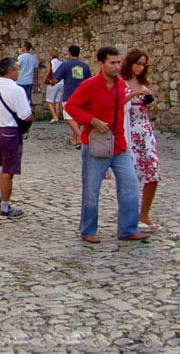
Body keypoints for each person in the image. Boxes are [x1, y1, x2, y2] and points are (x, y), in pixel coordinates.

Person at [65, 46, 150, 243]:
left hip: (119, 145)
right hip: (96, 145)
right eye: (112, 62)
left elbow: (121, 108)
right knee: (91, 189)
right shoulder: (90, 85)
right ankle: (88, 230)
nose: (116, 66)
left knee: (130, 185)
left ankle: (128, 229)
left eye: (118, 62)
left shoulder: (120, 86)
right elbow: (71, 106)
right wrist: (91, 120)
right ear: (101, 64)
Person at [0, 58, 32, 219]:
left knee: (5, 166)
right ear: (11, 71)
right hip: (9, 131)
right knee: (9, 169)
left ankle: (1, 193)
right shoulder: (16, 90)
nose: (18, 72)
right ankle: (5, 207)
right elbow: (25, 115)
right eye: (17, 69)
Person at [122, 48, 161, 231]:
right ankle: (129, 216)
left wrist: (153, 107)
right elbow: (115, 104)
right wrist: (133, 95)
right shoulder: (121, 83)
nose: (141, 67)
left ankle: (144, 214)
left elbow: (153, 111)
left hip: (144, 131)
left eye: (143, 64)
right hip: (128, 131)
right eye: (138, 63)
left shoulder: (144, 83)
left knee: (153, 171)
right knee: (130, 176)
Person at [52, 45, 92, 148]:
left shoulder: (66, 65)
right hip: (83, 95)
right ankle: (73, 139)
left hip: (69, 95)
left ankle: (83, 139)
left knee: (68, 119)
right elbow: (90, 81)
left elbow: (56, 79)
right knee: (77, 119)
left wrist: (50, 82)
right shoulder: (85, 66)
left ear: (69, 53)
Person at [43, 49, 64, 123]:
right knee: (57, 101)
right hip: (61, 83)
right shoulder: (61, 63)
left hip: (53, 82)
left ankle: (54, 117)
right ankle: (57, 116)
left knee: (49, 100)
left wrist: (42, 83)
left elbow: (47, 73)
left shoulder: (51, 63)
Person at [16, 41, 39, 107]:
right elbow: (36, 70)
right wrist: (35, 81)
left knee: (20, 98)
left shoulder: (21, 57)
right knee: (28, 98)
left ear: (25, 47)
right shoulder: (33, 58)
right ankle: (28, 111)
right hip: (29, 81)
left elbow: (17, 66)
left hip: (21, 80)